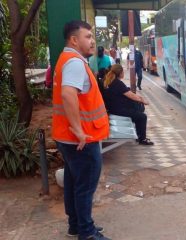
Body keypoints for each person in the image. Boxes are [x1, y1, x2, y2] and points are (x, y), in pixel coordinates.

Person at [52, 20, 111, 240]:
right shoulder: (75, 62)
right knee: (85, 186)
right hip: (81, 138)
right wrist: (78, 130)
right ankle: (86, 232)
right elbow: (68, 94)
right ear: (74, 40)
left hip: (67, 136)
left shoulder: (66, 59)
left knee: (73, 182)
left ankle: (76, 226)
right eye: (87, 36)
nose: (92, 40)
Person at [103, 64, 154, 145]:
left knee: (138, 113)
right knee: (142, 116)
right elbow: (132, 96)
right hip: (118, 110)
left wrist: (139, 99)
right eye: (123, 71)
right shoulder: (118, 83)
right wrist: (143, 101)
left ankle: (139, 135)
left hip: (113, 108)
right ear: (120, 73)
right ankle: (142, 139)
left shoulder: (110, 81)